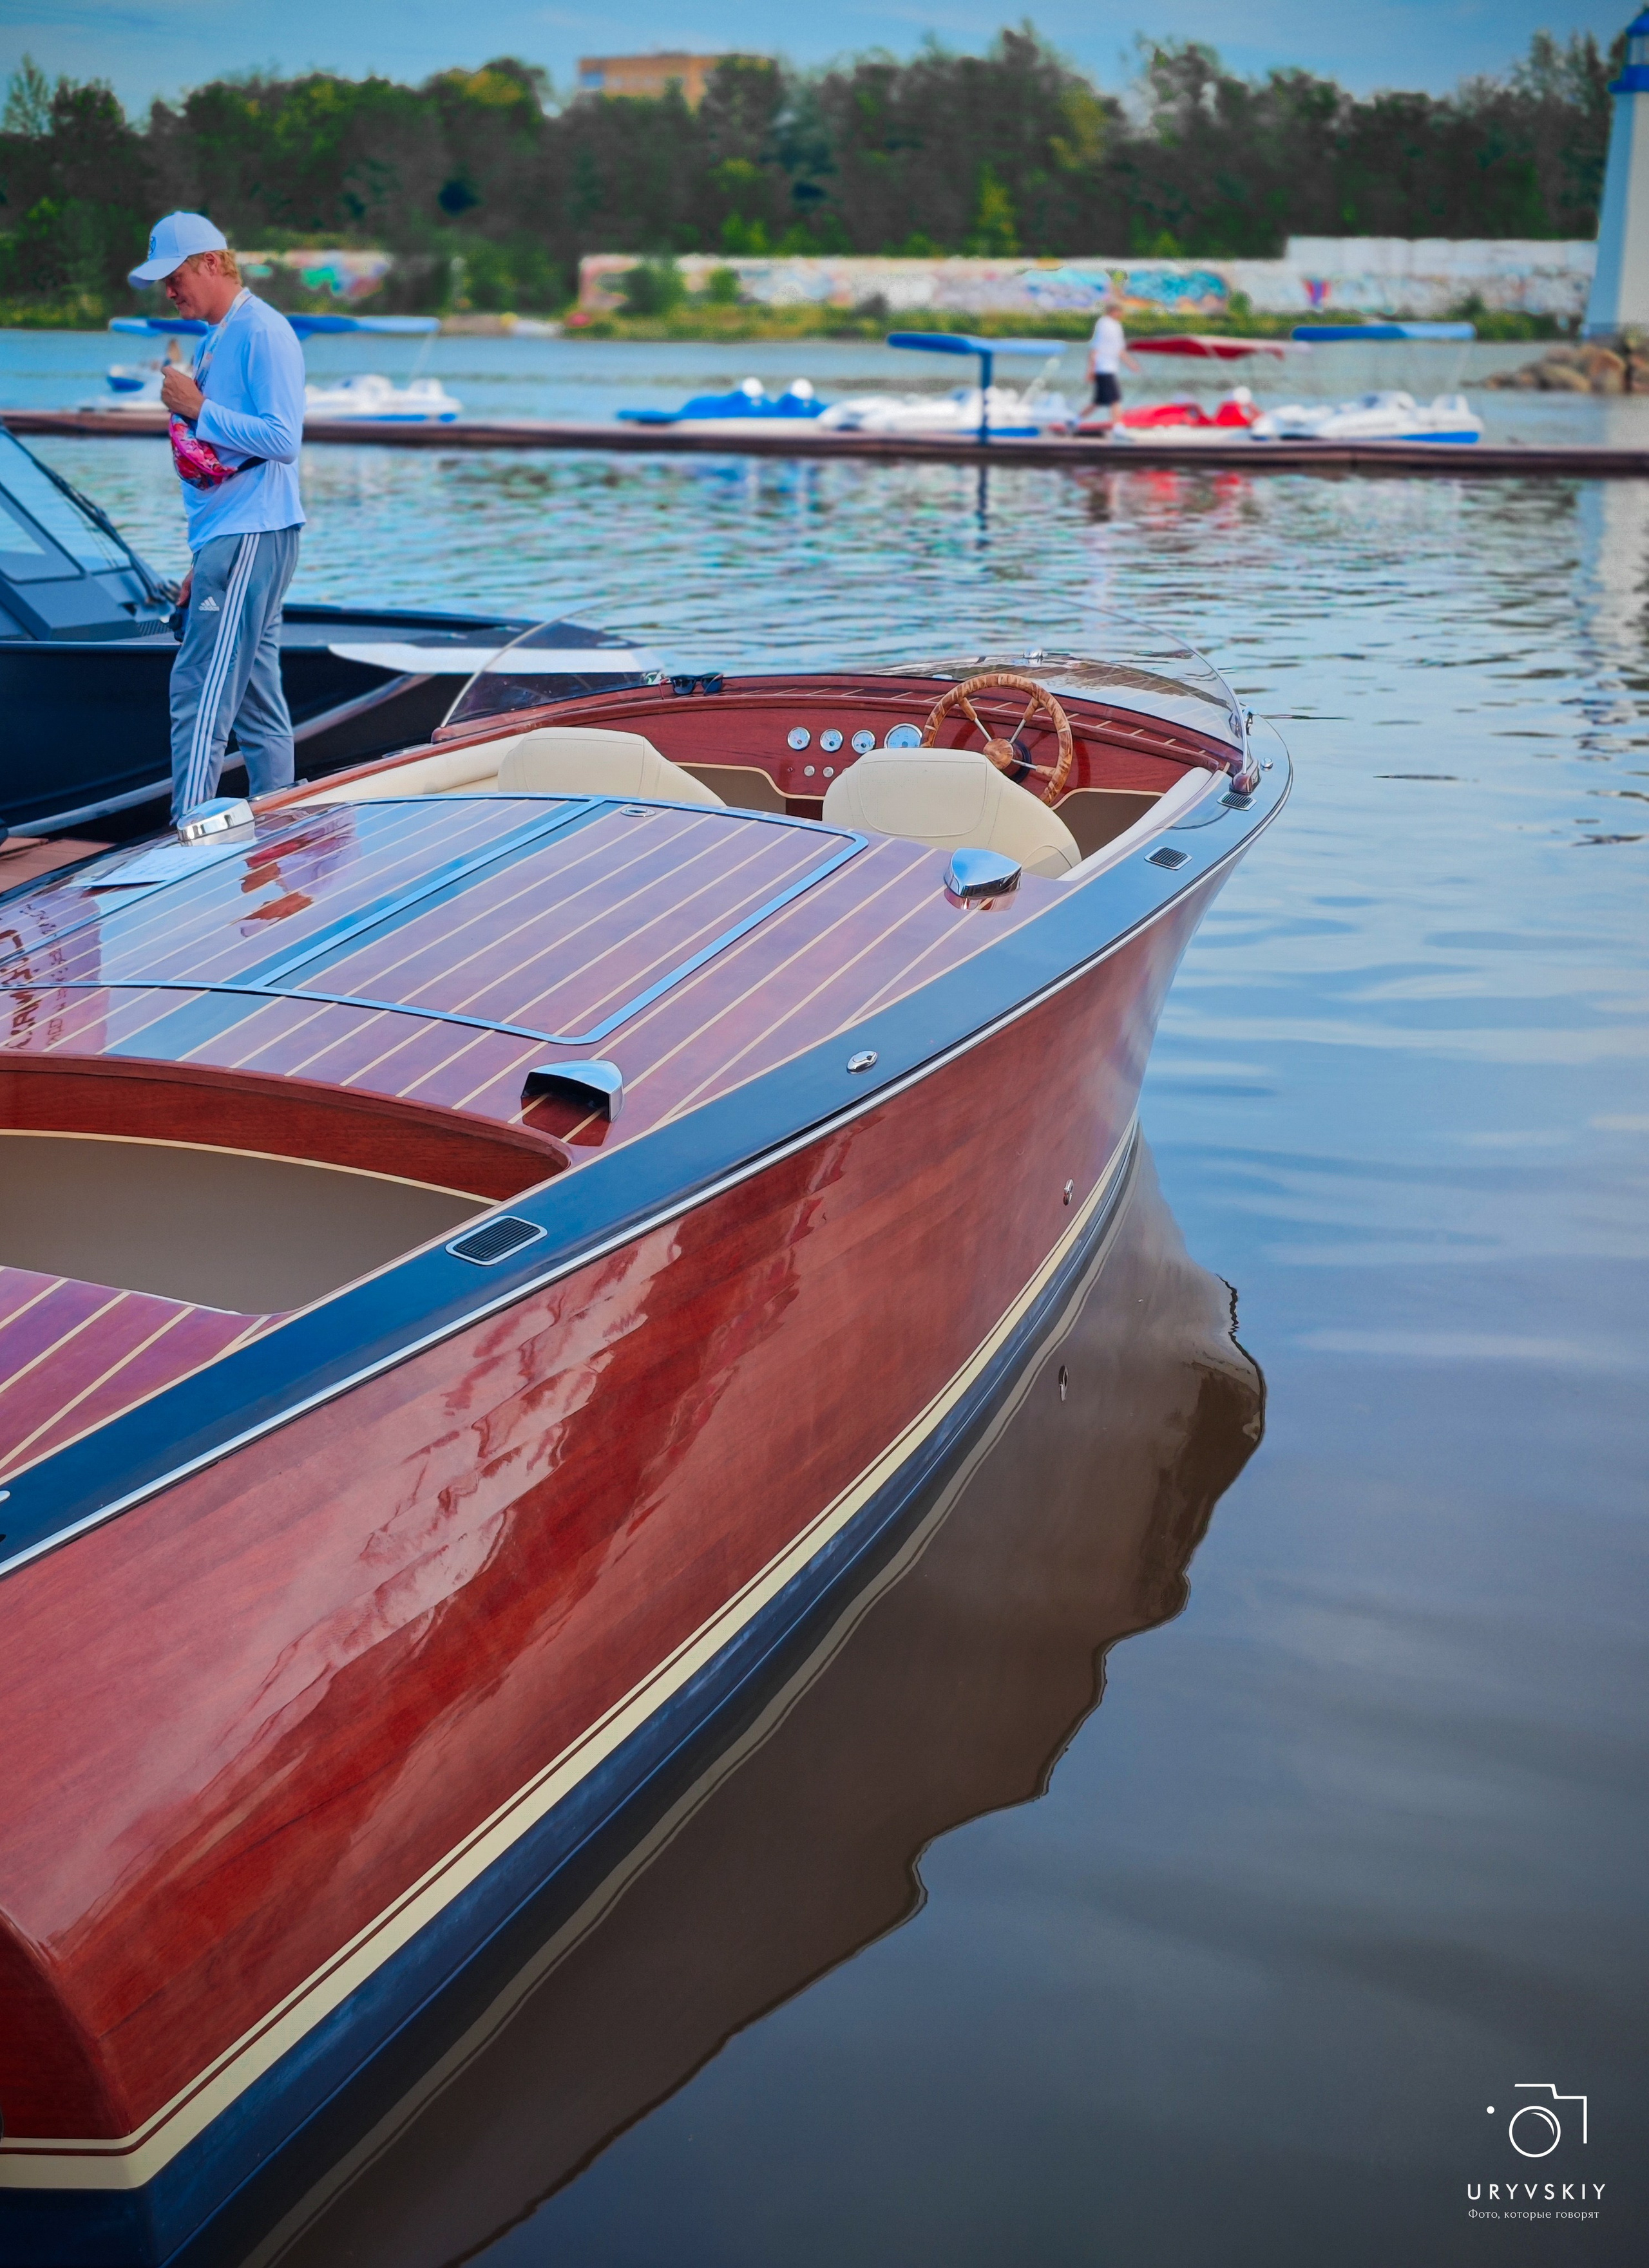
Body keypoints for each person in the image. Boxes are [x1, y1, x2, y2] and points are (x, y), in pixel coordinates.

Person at [128, 211, 306, 821]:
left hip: (252, 532)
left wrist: (198, 407)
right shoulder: (219, 336)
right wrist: (201, 562)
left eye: (174, 276)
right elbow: (222, 462)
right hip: (232, 538)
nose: (169, 290)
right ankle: (280, 821)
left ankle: (189, 830)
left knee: (197, 687)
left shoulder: (263, 332)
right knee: (256, 698)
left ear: (211, 263)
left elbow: (283, 439)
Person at [1085, 293, 1140, 430]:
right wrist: (1091, 369)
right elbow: (1095, 349)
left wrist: (1131, 364)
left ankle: (1075, 421)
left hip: (1109, 367)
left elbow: (1119, 350)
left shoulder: (1115, 325)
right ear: (1115, 311)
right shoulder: (1105, 324)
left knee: (1099, 401)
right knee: (1115, 399)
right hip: (1104, 368)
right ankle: (1119, 427)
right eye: (1121, 311)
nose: (1122, 314)